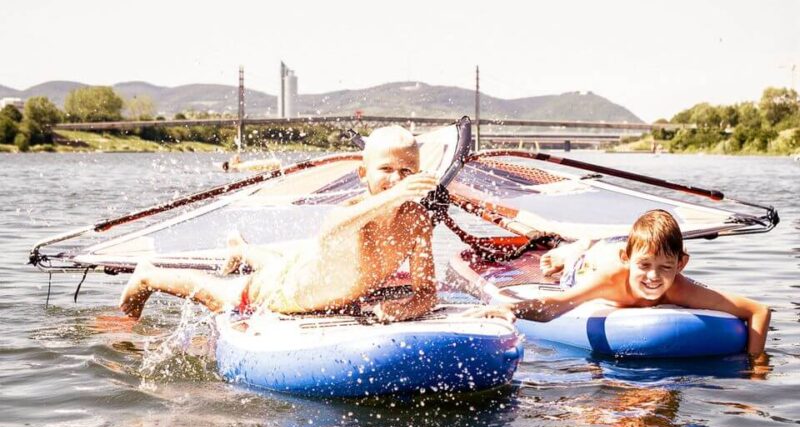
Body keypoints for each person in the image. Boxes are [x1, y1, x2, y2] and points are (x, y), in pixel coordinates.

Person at [120, 125, 438, 323]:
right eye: (387, 168)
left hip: (310, 270)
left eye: (408, 171)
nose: (397, 179)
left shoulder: (418, 222)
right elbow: (332, 228)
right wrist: (395, 196)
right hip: (285, 294)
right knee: (220, 295)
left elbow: (426, 291)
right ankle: (148, 275)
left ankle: (242, 249)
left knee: (290, 261)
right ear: (363, 174)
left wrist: (406, 308)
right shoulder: (350, 214)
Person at [466, 209, 771, 357]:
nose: (653, 277)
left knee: (630, 256)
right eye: (645, 266)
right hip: (588, 266)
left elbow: (759, 310)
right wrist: (510, 309)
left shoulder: (681, 287)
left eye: (666, 268)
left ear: (681, 264)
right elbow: (557, 305)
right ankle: (574, 249)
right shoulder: (612, 280)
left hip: (622, 253)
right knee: (569, 263)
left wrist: (756, 367)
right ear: (629, 261)